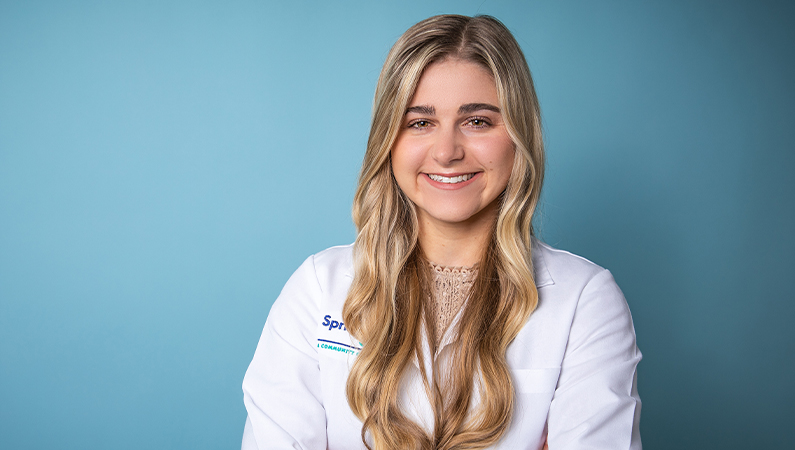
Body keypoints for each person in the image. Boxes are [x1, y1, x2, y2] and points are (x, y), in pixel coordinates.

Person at [242, 14, 641, 450]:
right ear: (388, 142)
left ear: (520, 136)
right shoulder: (318, 288)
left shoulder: (585, 299)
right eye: (420, 122)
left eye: (478, 121)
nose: (447, 152)